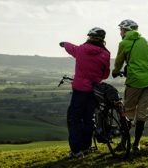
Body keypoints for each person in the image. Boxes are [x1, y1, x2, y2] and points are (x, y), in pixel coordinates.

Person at [59, 27, 110, 158]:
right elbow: (105, 74)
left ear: (89, 37)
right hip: (94, 91)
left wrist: (64, 44)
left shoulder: (81, 49)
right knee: (89, 118)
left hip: (80, 90)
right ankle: (86, 147)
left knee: (74, 119)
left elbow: (72, 48)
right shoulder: (106, 54)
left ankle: (76, 150)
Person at [112, 19, 148, 153]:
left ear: (126, 30)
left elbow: (119, 61)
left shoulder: (124, 43)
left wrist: (115, 72)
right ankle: (136, 145)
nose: (120, 32)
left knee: (128, 112)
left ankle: (123, 143)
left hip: (135, 81)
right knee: (142, 113)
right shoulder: (146, 40)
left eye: (121, 29)